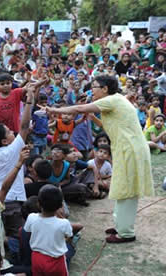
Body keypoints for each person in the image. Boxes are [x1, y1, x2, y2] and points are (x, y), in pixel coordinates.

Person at [45, 75, 154, 243]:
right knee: (122, 188)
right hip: (127, 148)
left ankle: (126, 233)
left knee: (127, 191)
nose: (91, 90)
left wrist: (55, 111)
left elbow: (79, 109)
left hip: (130, 149)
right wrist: (93, 118)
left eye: (94, 87)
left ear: (104, 89)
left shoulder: (111, 100)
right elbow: (109, 125)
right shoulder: (116, 100)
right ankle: (121, 225)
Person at [0, 86, 34, 237]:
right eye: (8, 132)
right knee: (18, 236)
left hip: (0, 199)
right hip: (13, 200)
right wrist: (29, 102)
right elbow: (24, 126)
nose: (12, 132)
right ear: (4, 141)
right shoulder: (11, 150)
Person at [23, 185, 72, 276]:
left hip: (37, 258)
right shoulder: (64, 223)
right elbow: (69, 237)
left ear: (38, 204)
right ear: (61, 206)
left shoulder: (31, 217)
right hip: (56, 261)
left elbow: (28, 231)